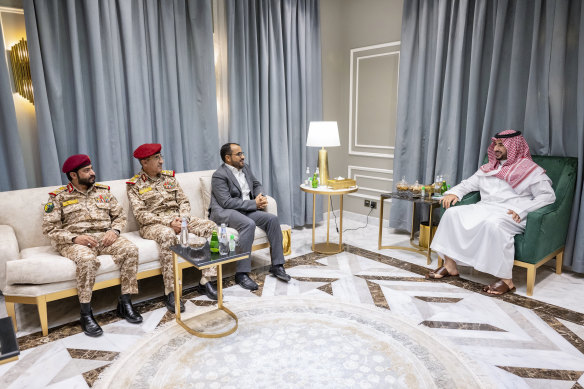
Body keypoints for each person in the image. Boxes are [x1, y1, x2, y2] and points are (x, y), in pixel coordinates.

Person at [427, 130, 556, 295]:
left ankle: (506, 281)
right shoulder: (488, 168)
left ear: (514, 147)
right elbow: (468, 184)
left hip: (512, 213)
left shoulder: (530, 170)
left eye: (501, 145)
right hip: (485, 207)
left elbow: (547, 196)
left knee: (494, 225)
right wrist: (455, 193)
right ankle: (450, 265)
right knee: (452, 215)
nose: (496, 148)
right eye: (495, 144)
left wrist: (523, 210)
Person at [42, 154, 142, 337]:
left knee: (130, 250)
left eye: (91, 168)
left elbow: (119, 217)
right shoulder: (58, 197)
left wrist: (115, 231)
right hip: (76, 241)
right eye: (86, 170)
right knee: (87, 260)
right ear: (73, 175)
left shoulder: (103, 192)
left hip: (105, 237)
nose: (92, 173)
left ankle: (125, 302)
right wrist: (74, 238)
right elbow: (49, 229)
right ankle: (86, 313)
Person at [127, 143, 218, 313]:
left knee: (211, 227)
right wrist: (170, 222)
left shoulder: (170, 178)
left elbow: (183, 201)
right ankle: (171, 291)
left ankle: (207, 280)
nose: (161, 161)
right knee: (168, 236)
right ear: (144, 163)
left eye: (161, 156)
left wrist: (182, 219)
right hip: (154, 225)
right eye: (156, 158)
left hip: (180, 220)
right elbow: (140, 214)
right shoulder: (134, 185)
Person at [209, 143, 291, 291]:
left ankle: (277, 265)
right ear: (228, 158)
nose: (243, 157)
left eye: (242, 153)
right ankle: (241, 274)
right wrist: (254, 204)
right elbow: (226, 202)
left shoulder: (245, 167)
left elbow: (256, 184)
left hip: (245, 208)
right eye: (239, 154)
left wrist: (260, 196)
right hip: (225, 211)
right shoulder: (219, 175)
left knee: (272, 219)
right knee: (248, 224)